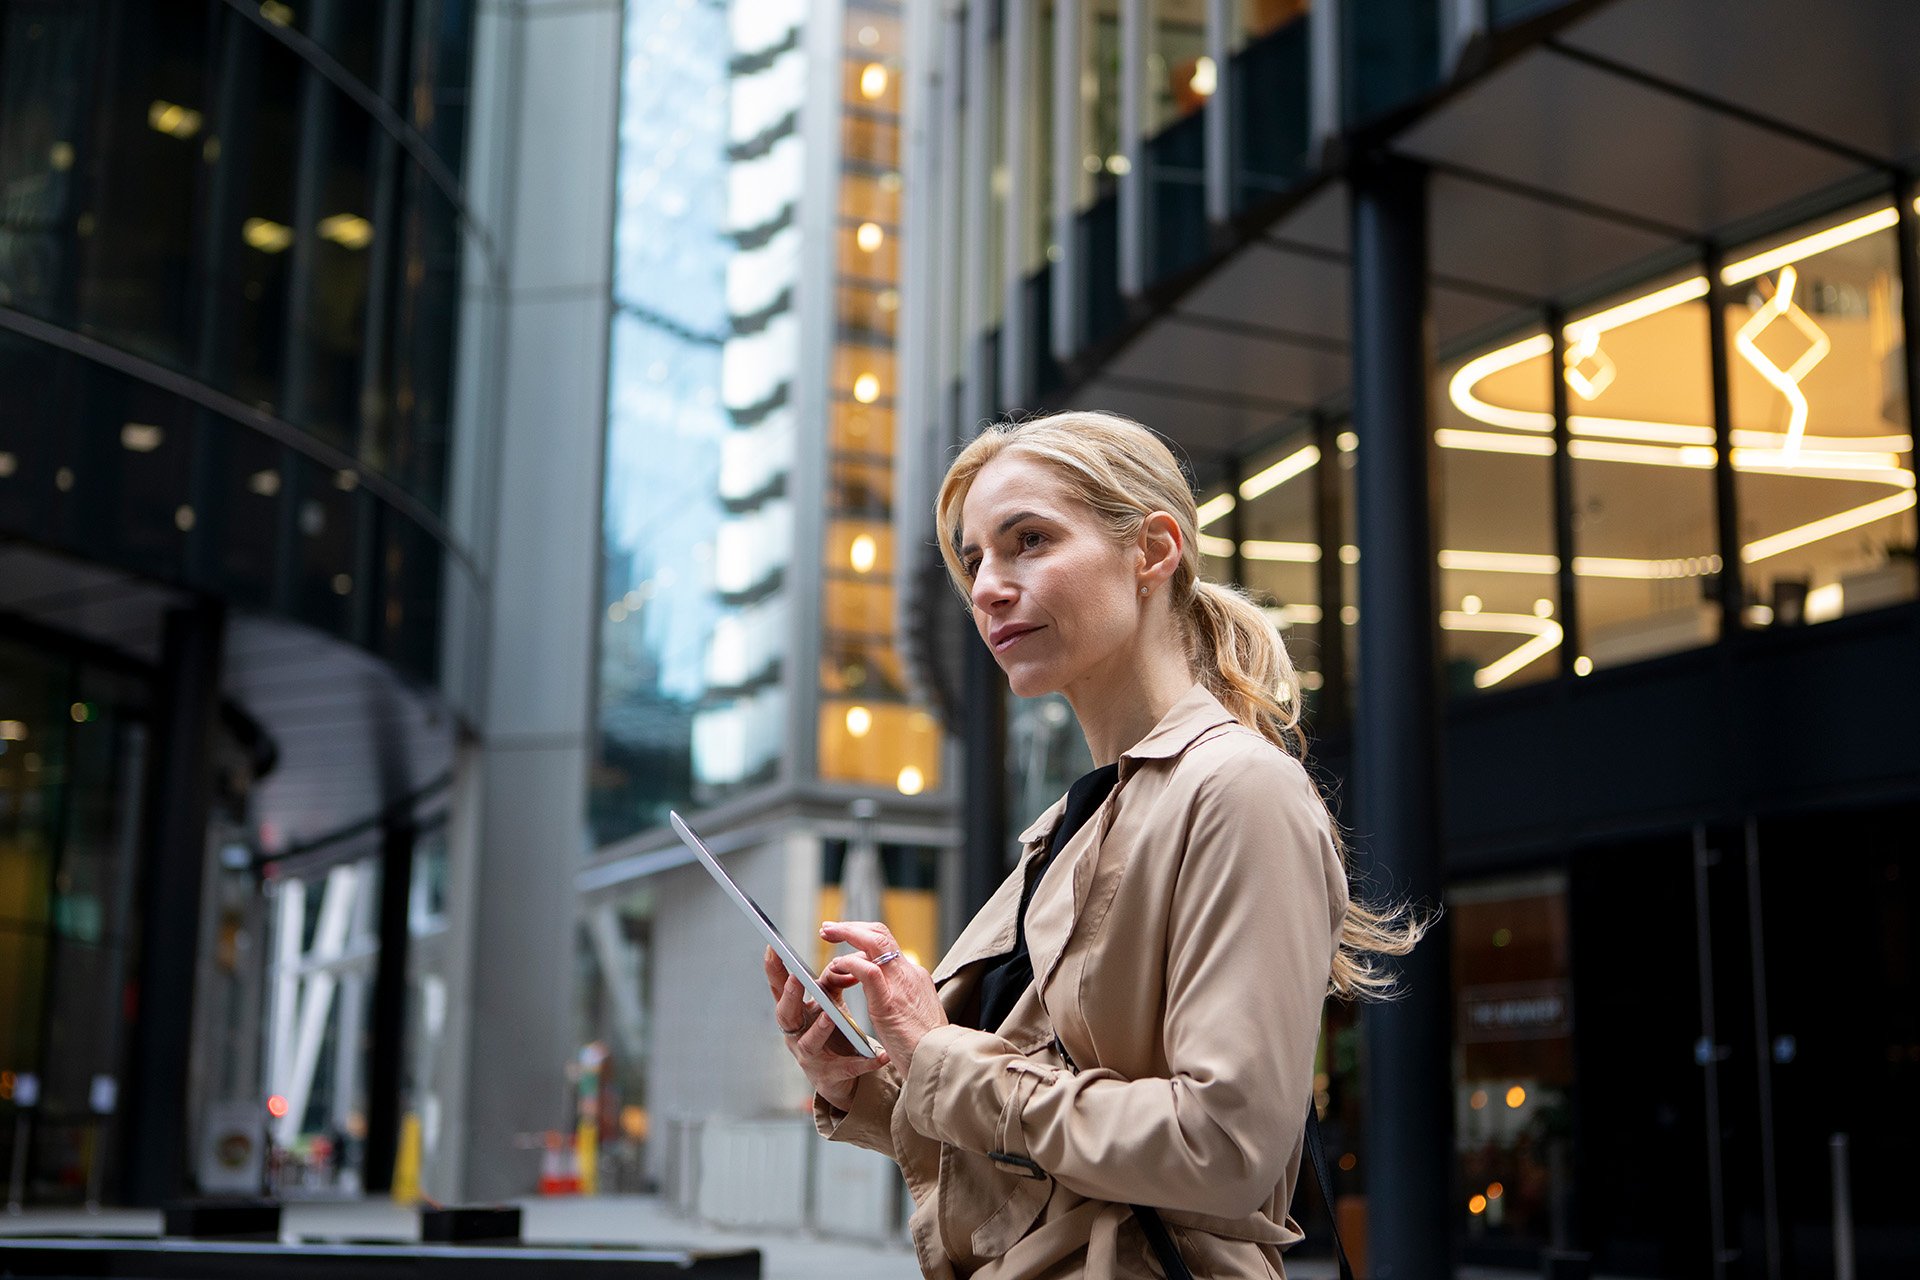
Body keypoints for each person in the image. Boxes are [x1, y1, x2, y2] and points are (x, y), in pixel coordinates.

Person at [764, 411, 1423, 1278]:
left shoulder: (1236, 789)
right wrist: (869, 1080)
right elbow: (1028, 1157)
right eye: (974, 561)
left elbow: (1222, 1148)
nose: (989, 587)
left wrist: (940, 1055)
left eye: (1028, 540)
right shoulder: (1067, 824)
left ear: (1153, 550)